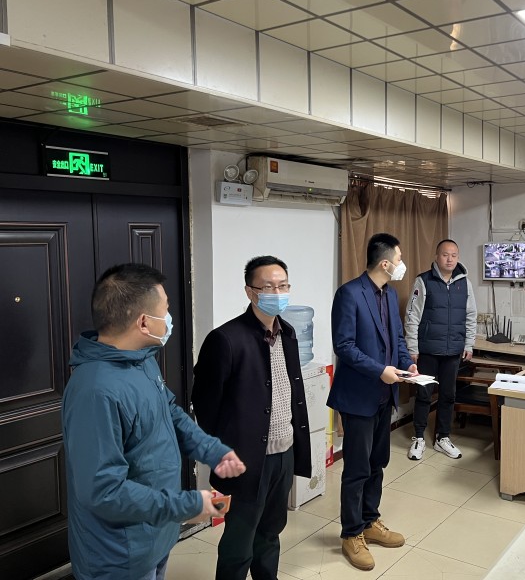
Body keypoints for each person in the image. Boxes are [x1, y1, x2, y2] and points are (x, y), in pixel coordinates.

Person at [63, 263, 246, 580]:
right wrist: (187, 505)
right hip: (119, 557)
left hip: (154, 535)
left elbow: (169, 412)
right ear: (144, 322)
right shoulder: (95, 391)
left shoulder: (141, 360)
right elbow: (104, 491)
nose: (169, 318)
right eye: (166, 310)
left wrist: (212, 450)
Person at [192, 255, 312, 580]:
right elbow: (205, 403)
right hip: (246, 459)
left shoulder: (287, 333)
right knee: (239, 540)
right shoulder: (226, 339)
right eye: (269, 287)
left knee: (271, 532)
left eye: (283, 286)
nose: (278, 292)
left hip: (284, 453)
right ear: (250, 291)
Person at [327, 233, 417, 571]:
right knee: (357, 468)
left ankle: (369, 520)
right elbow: (344, 346)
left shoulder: (389, 294)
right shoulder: (349, 294)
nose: (401, 264)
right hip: (358, 396)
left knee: (377, 462)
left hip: (384, 395)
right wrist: (380, 370)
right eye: (399, 259)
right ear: (385, 263)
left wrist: (407, 364)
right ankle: (351, 533)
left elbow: (397, 338)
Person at [404, 239, 477, 460]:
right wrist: (412, 347)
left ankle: (442, 438)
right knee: (424, 394)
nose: (450, 259)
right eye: (445, 255)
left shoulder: (465, 284)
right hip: (427, 350)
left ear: (458, 257)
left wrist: (469, 344)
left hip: (453, 351)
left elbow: (471, 316)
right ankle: (418, 437)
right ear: (437, 256)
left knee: (448, 395)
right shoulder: (423, 281)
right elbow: (412, 316)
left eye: (454, 255)